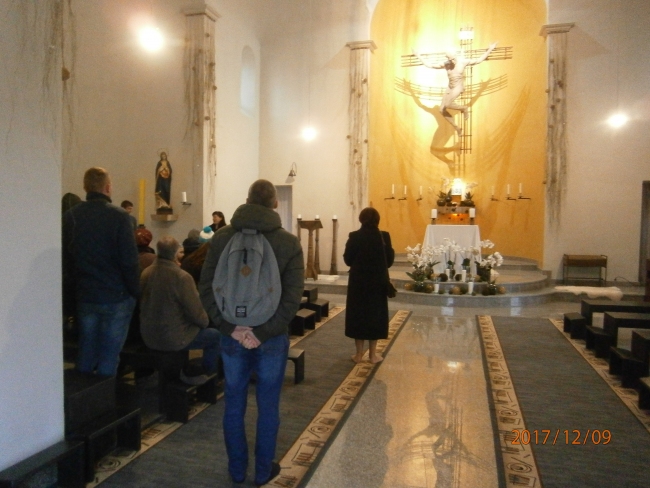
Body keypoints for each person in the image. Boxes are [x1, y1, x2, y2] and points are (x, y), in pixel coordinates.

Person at [199, 179, 304, 486]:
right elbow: (292, 299)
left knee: (233, 403)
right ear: (275, 204)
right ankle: (261, 472)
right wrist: (263, 333)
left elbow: (206, 287)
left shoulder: (221, 237)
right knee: (268, 405)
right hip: (270, 338)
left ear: (246, 201)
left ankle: (236, 470)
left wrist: (229, 328)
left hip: (232, 333)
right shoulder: (288, 242)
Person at [62, 167, 140, 377]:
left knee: (86, 349)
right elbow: (129, 261)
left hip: (85, 294)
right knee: (109, 353)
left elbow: (67, 259)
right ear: (107, 187)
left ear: (85, 187)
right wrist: (135, 292)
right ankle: (104, 395)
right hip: (116, 295)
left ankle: (84, 393)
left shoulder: (71, 216)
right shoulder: (120, 217)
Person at [140, 236, 219, 385]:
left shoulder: (146, 273)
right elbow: (197, 313)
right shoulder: (181, 277)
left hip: (148, 336)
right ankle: (206, 374)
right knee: (214, 335)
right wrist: (205, 323)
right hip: (173, 338)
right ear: (176, 253)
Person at [343, 207, 395, 364]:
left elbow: (348, 260)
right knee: (375, 316)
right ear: (377, 220)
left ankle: (358, 355)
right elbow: (389, 261)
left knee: (358, 315)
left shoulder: (354, 236)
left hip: (358, 282)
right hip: (377, 282)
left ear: (361, 219)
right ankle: (373, 355)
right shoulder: (384, 236)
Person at [413, 42, 497, 136]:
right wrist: (418, 55)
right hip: (450, 87)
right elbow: (430, 65)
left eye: (453, 58)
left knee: (448, 104)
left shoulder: (463, 62)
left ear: (455, 56)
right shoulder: (446, 64)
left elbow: (478, 60)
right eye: (449, 59)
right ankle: (457, 128)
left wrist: (490, 49)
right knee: (441, 110)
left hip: (458, 86)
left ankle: (464, 108)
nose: (452, 61)